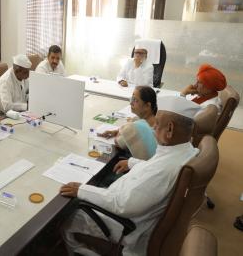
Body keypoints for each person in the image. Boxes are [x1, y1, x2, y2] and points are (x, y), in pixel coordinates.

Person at [60, 96, 201, 256]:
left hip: (124, 223)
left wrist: (81, 190)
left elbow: (122, 205)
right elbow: (152, 167)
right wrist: (132, 162)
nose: (153, 128)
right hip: (130, 203)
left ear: (170, 129)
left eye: (157, 125)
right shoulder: (184, 150)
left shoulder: (165, 169)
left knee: (66, 219)